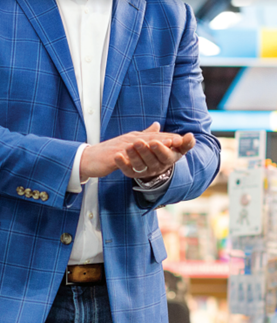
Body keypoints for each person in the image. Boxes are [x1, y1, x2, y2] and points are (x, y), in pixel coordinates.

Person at [0, 0, 221, 322]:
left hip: (131, 296)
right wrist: (79, 161)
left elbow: (202, 146)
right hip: (13, 286)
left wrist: (159, 173)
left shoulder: (167, 14)